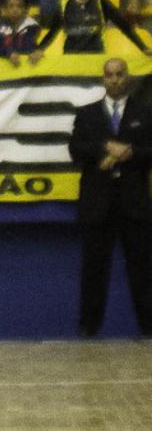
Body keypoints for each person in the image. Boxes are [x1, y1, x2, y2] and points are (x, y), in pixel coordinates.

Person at [67, 56, 152, 337]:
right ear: (103, 78)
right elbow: (76, 149)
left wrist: (130, 153)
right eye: (109, 75)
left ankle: (149, 330)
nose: (114, 79)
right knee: (94, 270)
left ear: (128, 77)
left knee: (142, 270)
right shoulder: (87, 114)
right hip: (97, 203)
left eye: (119, 74)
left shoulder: (145, 112)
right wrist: (105, 147)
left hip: (134, 203)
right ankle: (88, 331)